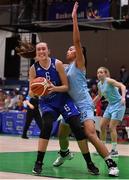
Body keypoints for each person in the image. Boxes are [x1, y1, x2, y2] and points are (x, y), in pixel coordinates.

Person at [53, 1, 119, 177]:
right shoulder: (65, 67)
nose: (69, 49)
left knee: (90, 133)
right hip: (69, 104)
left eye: (72, 48)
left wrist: (74, 18)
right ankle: (64, 153)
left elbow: (77, 39)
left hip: (83, 103)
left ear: (79, 52)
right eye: (68, 49)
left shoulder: (79, 64)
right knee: (61, 135)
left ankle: (110, 163)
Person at [28, 42, 99, 175]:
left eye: (43, 49)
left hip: (63, 99)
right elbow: (31, 93)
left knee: (77, 128)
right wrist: (38, 90)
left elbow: (66, 87)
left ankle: (89, 163)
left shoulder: (57, 63)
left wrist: (53, 88)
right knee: (47, 125)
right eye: (39, 49)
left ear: (48, 51)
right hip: (47, 103)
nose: (41, 51)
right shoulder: (33, 68)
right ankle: (38, 162)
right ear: (36, 53)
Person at [94, 66, 126, 157]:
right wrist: (91, 103)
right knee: (102, 126)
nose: (99, 74)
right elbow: (99, 96)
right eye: (98, 72)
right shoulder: (99, 84)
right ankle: (102, 148)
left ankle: (114, 150)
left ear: (105, 73)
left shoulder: (109, 81)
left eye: (101, 72)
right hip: (110, 105)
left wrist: (123, 97)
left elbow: (122, 86)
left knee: (112, 127)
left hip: (119, 104)